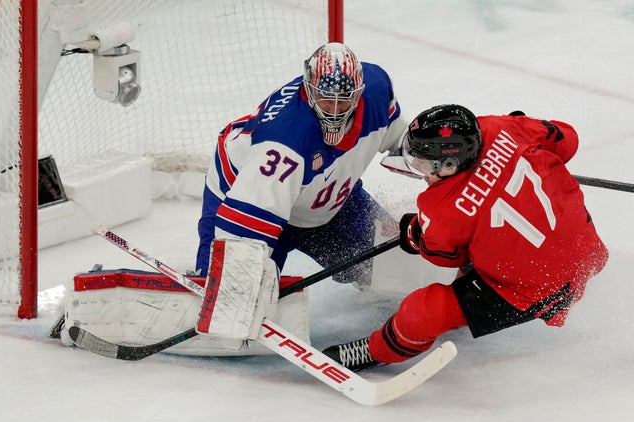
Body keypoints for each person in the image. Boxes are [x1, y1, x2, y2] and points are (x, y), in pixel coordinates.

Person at [323, 105, 609, 370]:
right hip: (588, 252)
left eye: (424, 164)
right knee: (482, 238)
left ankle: (376, 351)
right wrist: (521, 130)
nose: (420, 171)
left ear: (448, 165)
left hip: (536, 292)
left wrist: (415, 235)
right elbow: (567, 140)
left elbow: (445, 256)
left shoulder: (440, 208)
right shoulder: (500, 128)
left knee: (419, 312)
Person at [194, 42, 408, 286]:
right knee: (233, 291)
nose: (335, 111)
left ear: (359, 91)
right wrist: (235, 287)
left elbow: (401, 140)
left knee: (390, 270)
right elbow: (242, 235)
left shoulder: (376, 91)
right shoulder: (285, 141)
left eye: (344, 101)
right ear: (309, 87)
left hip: (325, 196)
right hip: (247, 195)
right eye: (326, 99)